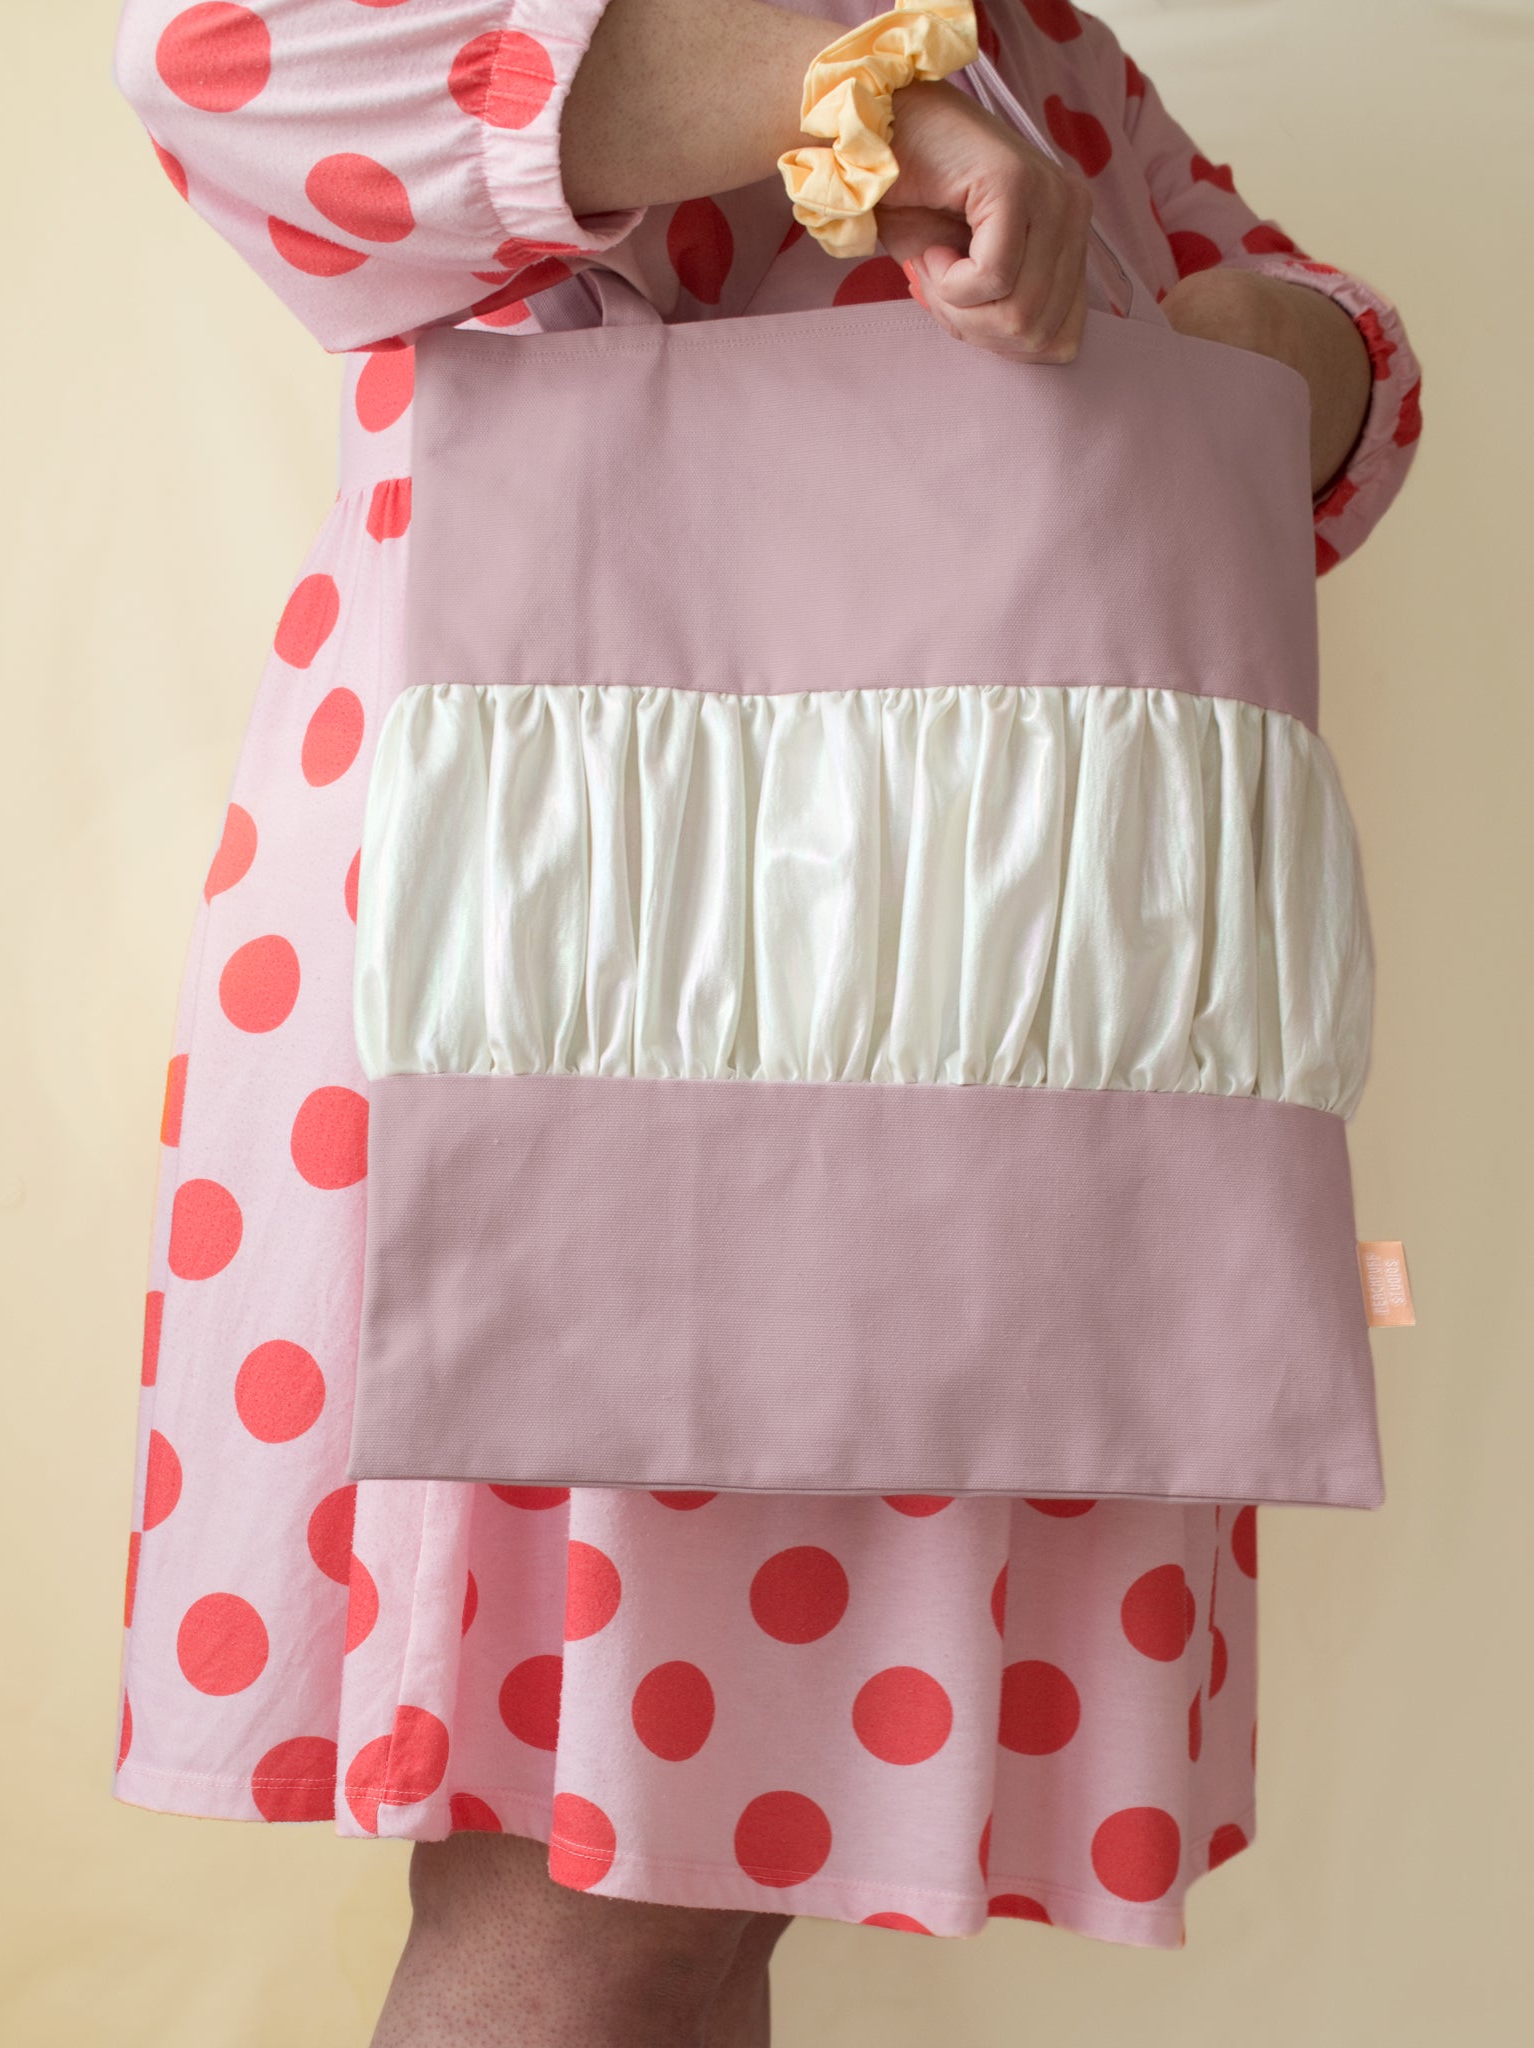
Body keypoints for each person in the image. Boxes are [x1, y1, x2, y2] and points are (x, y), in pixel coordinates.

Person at [109, 2, 1422, 2042]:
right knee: (599, 1897)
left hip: (954, 1025)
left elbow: (1328, 354)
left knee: (711, 1903)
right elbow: (221, 60)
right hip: (600, 975)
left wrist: (1265, 345)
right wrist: (849, 106)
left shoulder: (1037, 39)